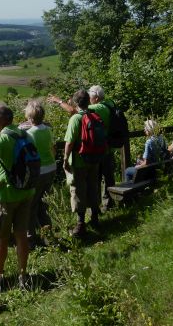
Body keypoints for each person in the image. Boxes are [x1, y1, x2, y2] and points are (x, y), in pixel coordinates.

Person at [0, 104, 35, 292]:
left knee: (2, 238)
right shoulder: (25, 135)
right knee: (21, 235)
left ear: (4, 120)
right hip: (26, 193)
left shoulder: (0, 139)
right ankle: (23, 275)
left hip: (5, 196)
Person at [62, 89, 101, 237]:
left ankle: (80, 224)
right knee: (93, 186)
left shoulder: (76, 119)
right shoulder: (94, 115)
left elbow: (70, 142)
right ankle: (95, 217)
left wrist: (65, 159)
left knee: (78, 190)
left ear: (76, 103)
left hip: (79, 160)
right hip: (95, 157)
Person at [21, 99, 55, 247]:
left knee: (30, 205)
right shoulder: (48, 130)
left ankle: (31, 238)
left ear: (29, 118)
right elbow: (53, 149)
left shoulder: (29, 134)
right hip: (51, 169)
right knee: (43, 203)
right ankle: (48, 235)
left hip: (38, 172)